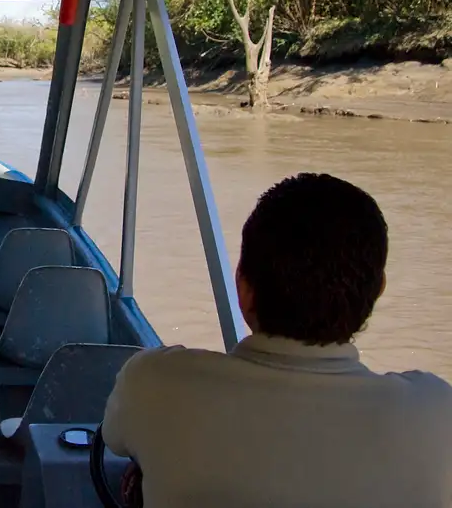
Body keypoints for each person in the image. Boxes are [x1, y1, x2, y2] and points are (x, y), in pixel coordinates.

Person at [102, 173, 452, 508]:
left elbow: (115, 440)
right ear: (378, 292)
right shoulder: (436, 416)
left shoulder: (154, 382)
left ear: (243, 289)